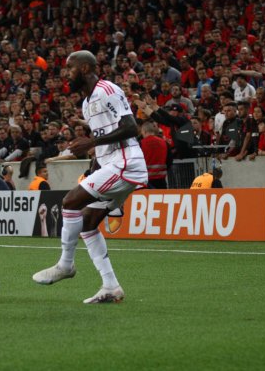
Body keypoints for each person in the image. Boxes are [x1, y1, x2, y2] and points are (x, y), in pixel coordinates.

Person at [32, 50, 148, 304]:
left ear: (85, 69)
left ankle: (66, 264)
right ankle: (111, 286)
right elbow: (104, 142)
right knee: (87, 223)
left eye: (70, 68)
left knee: (70, 202)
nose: (66, 74)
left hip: (126, 163)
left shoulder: (108, 90)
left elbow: (130, 127)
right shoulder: (86, 103)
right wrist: (94, 163)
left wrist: (91, 142)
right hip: (112, 164)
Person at [140, 121, 168, 189]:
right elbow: (169, 159)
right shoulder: (164, 142)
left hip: (147, 179)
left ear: (144, 131)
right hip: (161, 179)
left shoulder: (141, 143)